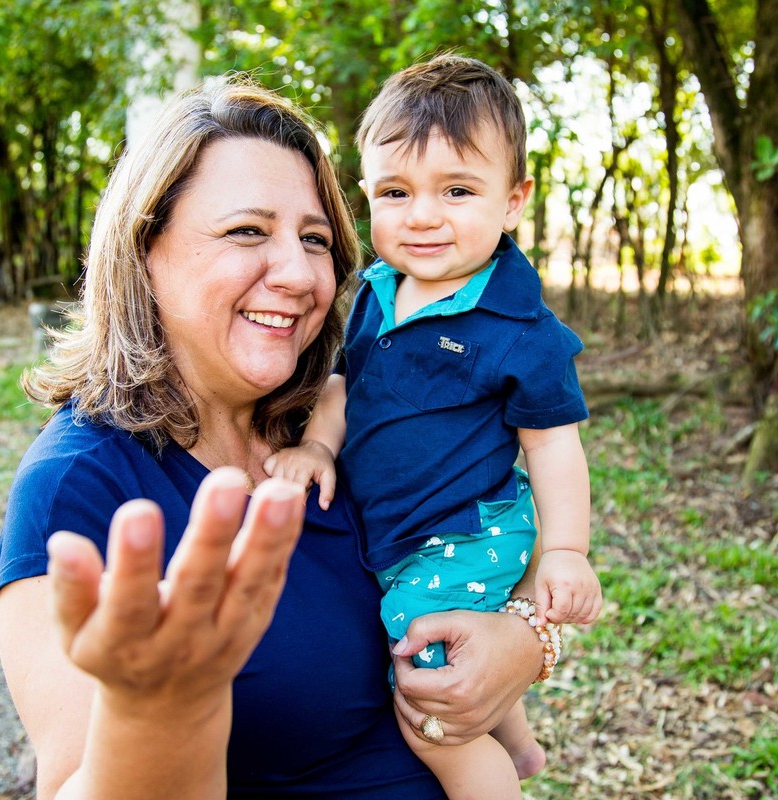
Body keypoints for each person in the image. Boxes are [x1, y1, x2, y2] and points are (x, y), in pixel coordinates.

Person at [0, 75, 556, 800]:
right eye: (247, 231)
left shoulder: (338, 424)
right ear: (145, 251)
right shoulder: (78, 485)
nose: (296, 273)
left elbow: (509, 525)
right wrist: (160, 710)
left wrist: (525, 641)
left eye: (315, 239)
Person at [265, 55, 604, 799]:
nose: (422, 215)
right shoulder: (377, 294)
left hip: (466, 530)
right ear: (365, 197)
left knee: (429, 706)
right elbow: (343, 386)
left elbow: (553, 445)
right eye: (396, 191)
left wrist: (568, 552)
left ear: (513, 200)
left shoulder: (520, 327)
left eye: (457, 190)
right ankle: (515, 742)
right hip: (400, 527)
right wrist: (319, 444)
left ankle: (489, 777)